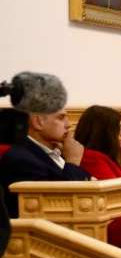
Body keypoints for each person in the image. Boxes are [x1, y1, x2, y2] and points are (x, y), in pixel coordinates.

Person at [0, 72, 89, 216]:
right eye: (61, 118)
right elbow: (58, 206)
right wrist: (73, 162)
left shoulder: (55, 150)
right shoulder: (21, 159)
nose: (68, 124)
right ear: (38, 122)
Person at [74, 105, 121, 180]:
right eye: (120, 128)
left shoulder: (110, 154)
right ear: (104, 133)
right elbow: (114, 189)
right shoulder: (92, 158)